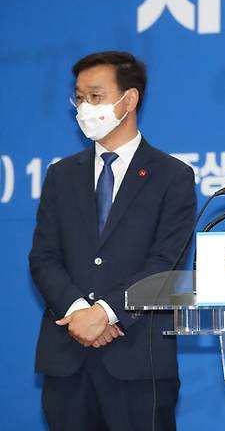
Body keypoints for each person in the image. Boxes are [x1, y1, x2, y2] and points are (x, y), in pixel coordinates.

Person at [29, 51, 196, 431]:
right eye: (79, 97)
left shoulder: (172, 176)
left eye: (96, 96)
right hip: (67, 358)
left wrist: (105, 312)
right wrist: (80, 313)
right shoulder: (61, 175)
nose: (85, 107)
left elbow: (166, 262)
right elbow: (43, 257)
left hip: (138, 360)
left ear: (129, 99)